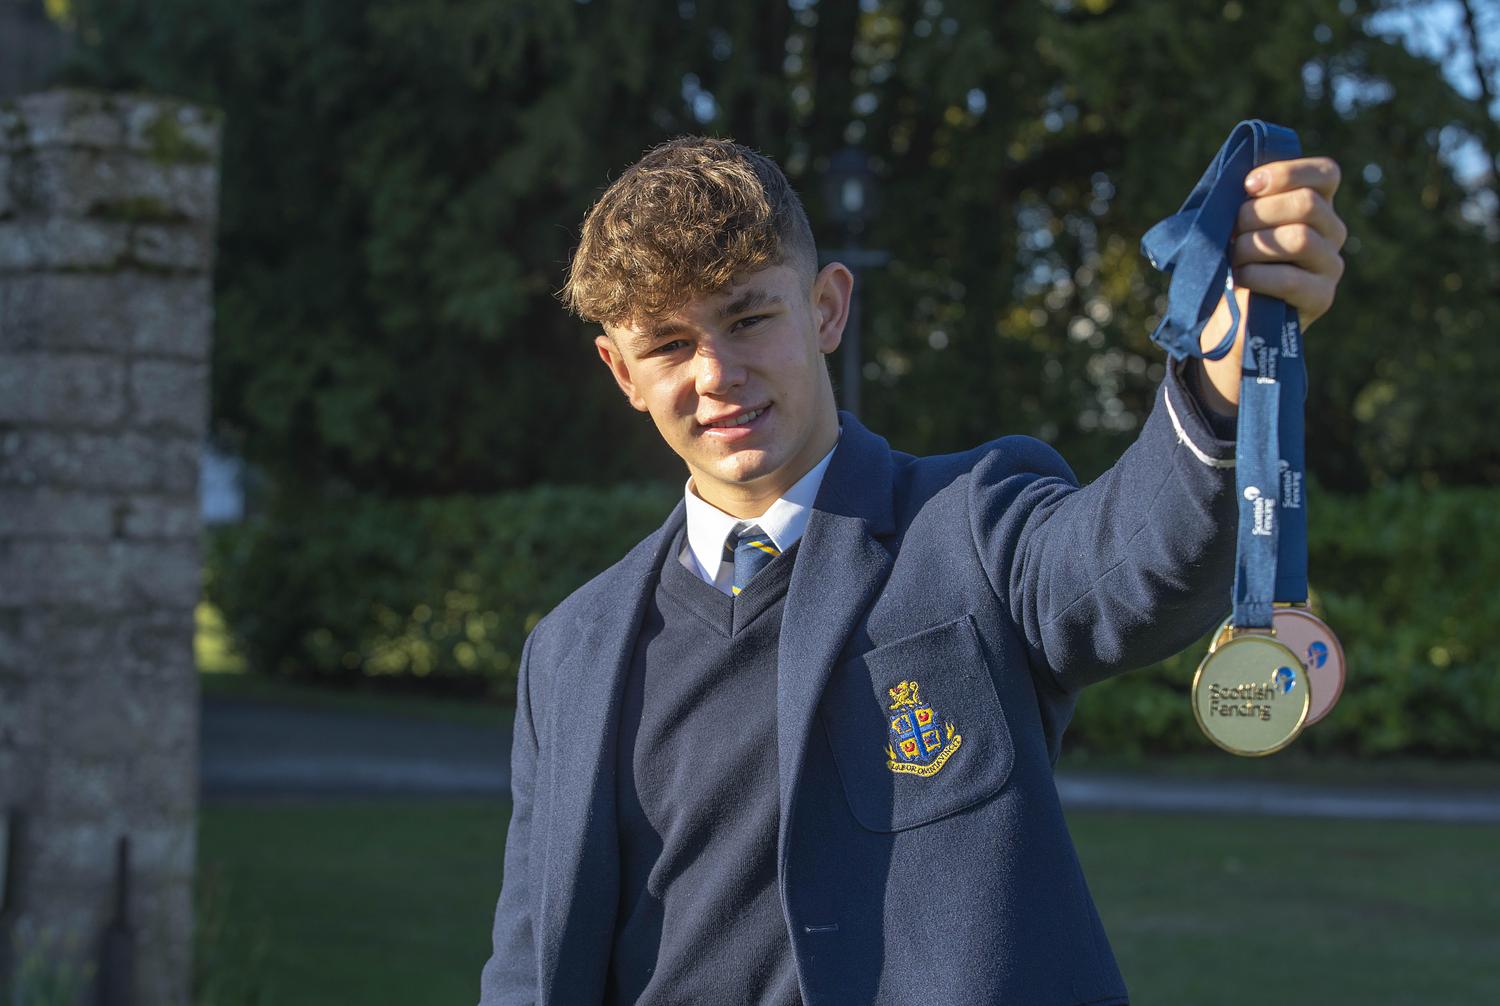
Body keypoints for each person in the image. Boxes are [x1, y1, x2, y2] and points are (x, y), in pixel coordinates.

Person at [477, 136, 1346, 1005]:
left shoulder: (970, 522)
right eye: (669, 344)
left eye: (748, 318)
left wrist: (1221, 381)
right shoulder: (567, 653)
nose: (716, 374)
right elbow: (529, 962)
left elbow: (1132, 566)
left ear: (825, 308)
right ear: (621, 371)